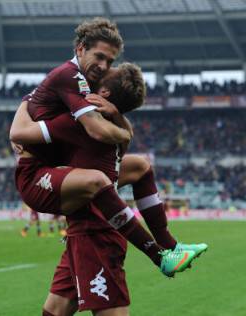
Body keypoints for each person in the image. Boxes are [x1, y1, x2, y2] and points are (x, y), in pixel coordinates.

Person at [12, 62, 207, 315]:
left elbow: (20, 133)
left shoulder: (78, 122)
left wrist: (29, 100)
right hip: (82, 233)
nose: (92, 76)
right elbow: (127, 139)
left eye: (101, 76)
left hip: (97, 236)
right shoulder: (117, 127)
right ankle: (169, 244)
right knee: (56, 309)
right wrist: (117, 116)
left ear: (102, 93)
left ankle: (162, 255)